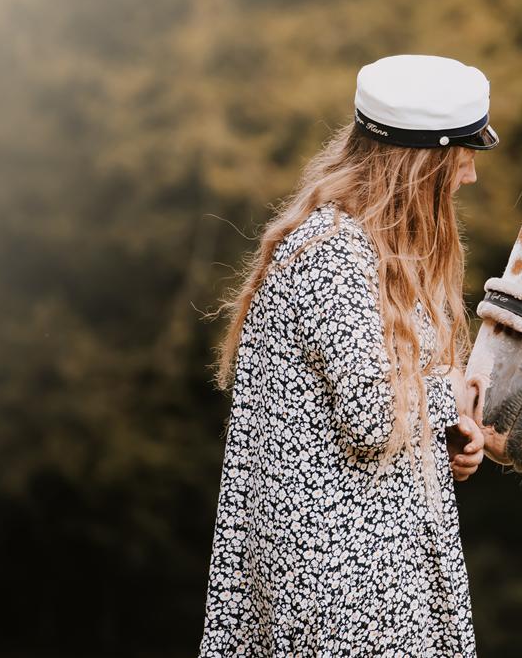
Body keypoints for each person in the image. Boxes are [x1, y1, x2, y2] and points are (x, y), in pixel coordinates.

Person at [199, 54, 498, 656]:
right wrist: (455, 396)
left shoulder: (377, 253)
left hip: (371, 578)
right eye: (463, 154)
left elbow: (386, 401)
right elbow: (371, 416)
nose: (469, 174)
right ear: (423, 163)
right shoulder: (334, 255)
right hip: (339, 592)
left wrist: (448, 440)